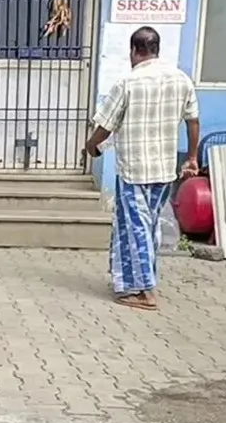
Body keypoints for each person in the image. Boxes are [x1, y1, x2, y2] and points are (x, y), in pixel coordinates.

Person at [85, 26, 199, 312]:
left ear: (134, 51)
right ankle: (126, 281)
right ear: (156, 49)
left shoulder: (128, 82)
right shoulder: (181, 79)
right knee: (146, 225)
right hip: (164, 170)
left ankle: (146, 290)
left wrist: (91, 145)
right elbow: (193, 120)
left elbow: (105, 125)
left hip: (134, 171)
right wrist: (192, 157)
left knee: (136, 228)